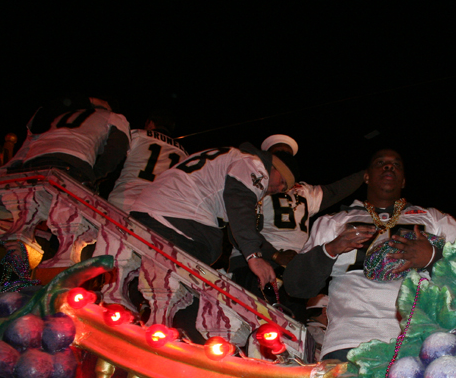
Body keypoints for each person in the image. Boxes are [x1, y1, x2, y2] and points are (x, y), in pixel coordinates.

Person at [283, 149, 456, 361]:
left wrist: (433, 258)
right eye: (380, 163)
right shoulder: (334, 221)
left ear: (404, 180)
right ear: (366, 177)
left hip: (420, 343)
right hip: (349, 343)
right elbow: (295, 286)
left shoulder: (434, 219)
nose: (389, 166)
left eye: (396, 164)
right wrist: (331, 249)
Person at [130, 143, 299, 288]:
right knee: (192, 281)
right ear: (274, 166)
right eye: (282, 182)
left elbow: (239, 228)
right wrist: (254, 256)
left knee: (206, 251)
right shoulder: (255, 166)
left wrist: (274, 255)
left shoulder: (237, 161)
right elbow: (240, 205)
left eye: (284, 189)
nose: (279, 189)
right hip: (176, 219)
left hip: (152, 211)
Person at [227, 134, 364, 296]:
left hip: (293, 266)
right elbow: (238, 225)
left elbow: (336, 190)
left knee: (288, 311)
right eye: (278, 153)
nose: (283, 158)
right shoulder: (254, 182)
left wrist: (367, 174)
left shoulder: (304, 191)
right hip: (256, 260)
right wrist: (275, 255)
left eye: (287, 154)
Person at [9, 96, 130, 185]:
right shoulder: (114, 117)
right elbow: (117, 149)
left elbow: (38, 120)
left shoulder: (65, 112)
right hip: (71, 162)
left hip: (33, 159)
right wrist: (95, 175)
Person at [108, 113, 188, 213]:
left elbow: (113, 159)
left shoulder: (138, 135)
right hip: (157, 210)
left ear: (150, 123)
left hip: (124, 201)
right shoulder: (184, 154)